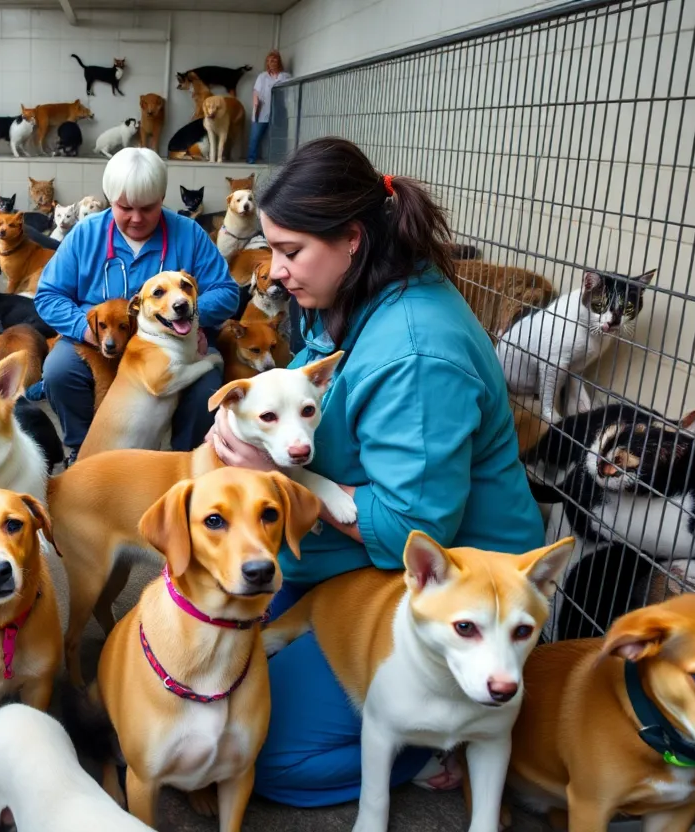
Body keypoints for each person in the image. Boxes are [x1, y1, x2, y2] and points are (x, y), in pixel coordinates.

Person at [207, 137, 543, 806]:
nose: (274, 271)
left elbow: (410, 525)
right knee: (202, 650)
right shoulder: (364, 295)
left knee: (256, 755)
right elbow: (307, 383)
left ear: (352, 239)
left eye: (290, 251)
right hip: (349, 563)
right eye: (273, 249)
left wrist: (285, 476)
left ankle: (423, 741)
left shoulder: (415, 351)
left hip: (449, 582)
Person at [33, 147, 237, 464]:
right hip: (101, 339)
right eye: (125, 208)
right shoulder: (85, 235)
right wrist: (84, 330)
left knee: (207, 387)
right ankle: (86, 454)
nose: (137, 218)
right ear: (109, 199)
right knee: (59, 372)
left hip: (176, 341)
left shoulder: (190, 234)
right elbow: (48, 295)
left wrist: (193, 320)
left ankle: (183, 462)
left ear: (163, 198)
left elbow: (226, 292)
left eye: (148, 208)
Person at [248, 50, 292, 164]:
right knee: (255, 136)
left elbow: (289, 94)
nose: (271, 63)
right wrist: (256, 105)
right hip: (262, 109)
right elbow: (256, 92)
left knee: (277, 136)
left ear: (279, 62)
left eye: (273, 60)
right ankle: (251, 159)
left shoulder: (285, 76)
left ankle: (276, 160)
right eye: (268, 61)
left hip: (279, 110)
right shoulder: (262, 76)